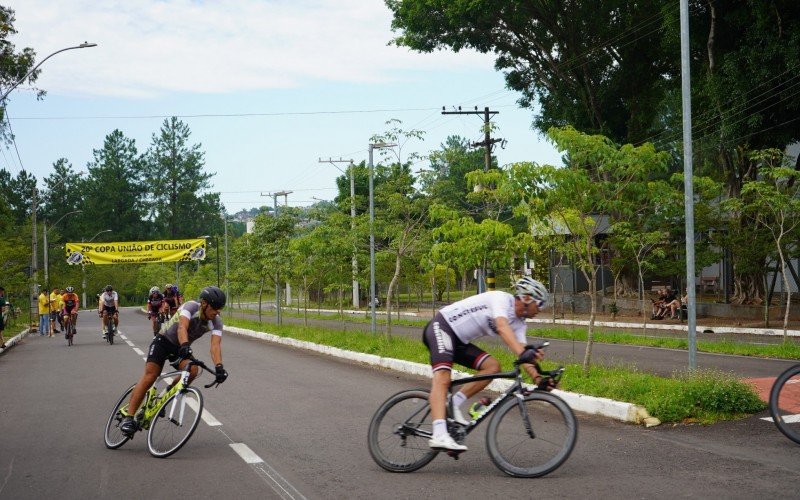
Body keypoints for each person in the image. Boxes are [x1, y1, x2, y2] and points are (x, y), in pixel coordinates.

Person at [422, 277, 550, 452]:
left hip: (459, 341)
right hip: (442, 327)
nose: (540, 310)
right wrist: (523, 352)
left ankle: (453, 404)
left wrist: (537, 378)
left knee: (493, 367)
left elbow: (523, 354)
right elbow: (502, 326)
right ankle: (439, 434)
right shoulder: (502, 299)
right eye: (540, 305)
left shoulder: (520, 324)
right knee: (443, 377)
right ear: (527, 298)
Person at [119, 286, 229, 436]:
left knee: (192, 371)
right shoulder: (191, 306)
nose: (218, 312)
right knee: (151, 376)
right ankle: (129, 418)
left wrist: (219, 367)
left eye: (220, 308)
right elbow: (182, 327)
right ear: (204, 304)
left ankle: (165, 396)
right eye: (215, 308)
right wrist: (184, 345)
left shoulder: (216, 323)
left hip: (180, 348)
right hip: (163, 341)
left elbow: (215, 346)